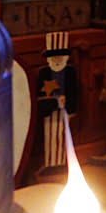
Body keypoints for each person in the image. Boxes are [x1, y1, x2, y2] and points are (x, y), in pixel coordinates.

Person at [37, 31, 77, 173]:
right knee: (49, 137)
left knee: (63, 136)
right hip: (50, 110)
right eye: (54, 57)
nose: (57, 60)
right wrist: (49, 103)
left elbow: (74, 90)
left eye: (60, 56)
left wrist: (71, 108)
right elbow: (39, 92)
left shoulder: (70, 72)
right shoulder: (44, 72)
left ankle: (62, 164)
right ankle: (50, 164)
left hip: (65, 110)